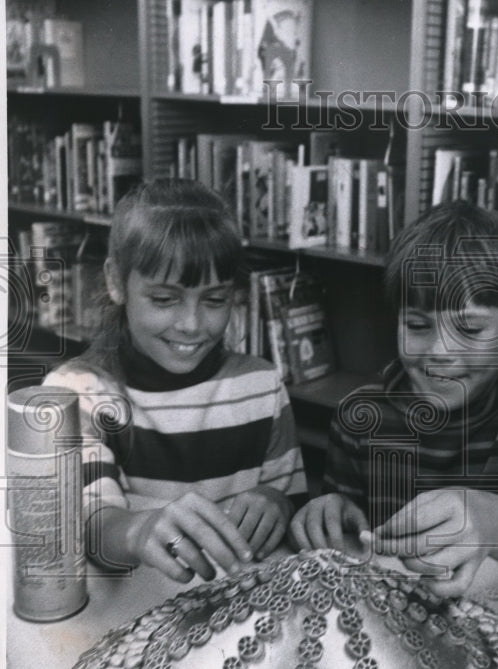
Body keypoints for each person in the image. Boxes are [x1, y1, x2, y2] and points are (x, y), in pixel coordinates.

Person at [290, 200, 498, 597]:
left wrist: (493, 522)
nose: (439, 350)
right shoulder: (360, 417)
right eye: (417, 325)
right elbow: (352, 544)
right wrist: (331, 514)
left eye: (469, 329)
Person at [43, 179, 308, 583]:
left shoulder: (263, 385)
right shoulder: (75, 393)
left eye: (215, 300)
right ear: (116, 281)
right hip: (131, 613)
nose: (191, 325)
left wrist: (276, 504)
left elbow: (290, 504)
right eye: (164, 300)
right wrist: (138, 529)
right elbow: (88, 523)